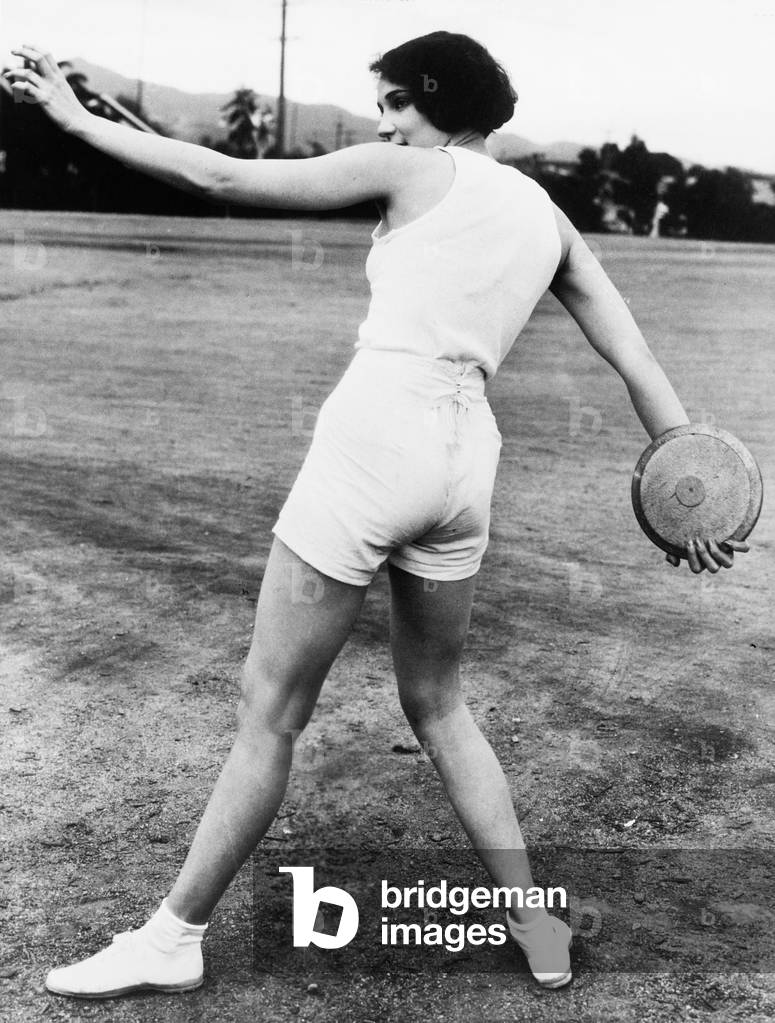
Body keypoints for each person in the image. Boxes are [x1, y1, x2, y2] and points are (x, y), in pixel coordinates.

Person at [5, 31, 747, 1000]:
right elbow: (639, 364)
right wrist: (687, 491)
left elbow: (221, 178)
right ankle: (535, 925)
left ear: (429, 100)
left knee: (268, 716)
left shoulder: (410, 167)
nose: (384, 119)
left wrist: (69, 114)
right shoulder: (546, 216)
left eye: (393, 100)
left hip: (375, 444)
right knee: (438, 702)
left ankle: (173, 937)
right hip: (464, 467)